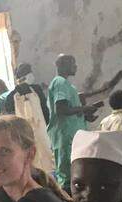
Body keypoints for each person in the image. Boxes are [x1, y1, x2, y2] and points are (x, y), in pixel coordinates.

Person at [48, 54, 101, 190]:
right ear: (64, 65)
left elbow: (70, 111)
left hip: (71, 136)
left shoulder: (66, 85)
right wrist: (84, 108)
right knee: (68, 176)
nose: (76, 66)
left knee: (76, 173)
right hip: (65, 137)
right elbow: (61, 109)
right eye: (73, 63)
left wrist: (85, 114)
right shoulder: (59, 82)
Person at [0, 63, 55, 174]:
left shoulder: (36, 90)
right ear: (25, 76)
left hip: (41, 133)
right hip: (24, 136)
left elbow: (45, 112)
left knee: (46, 161)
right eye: (30, 72)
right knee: (31, 161)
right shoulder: (11, 98)